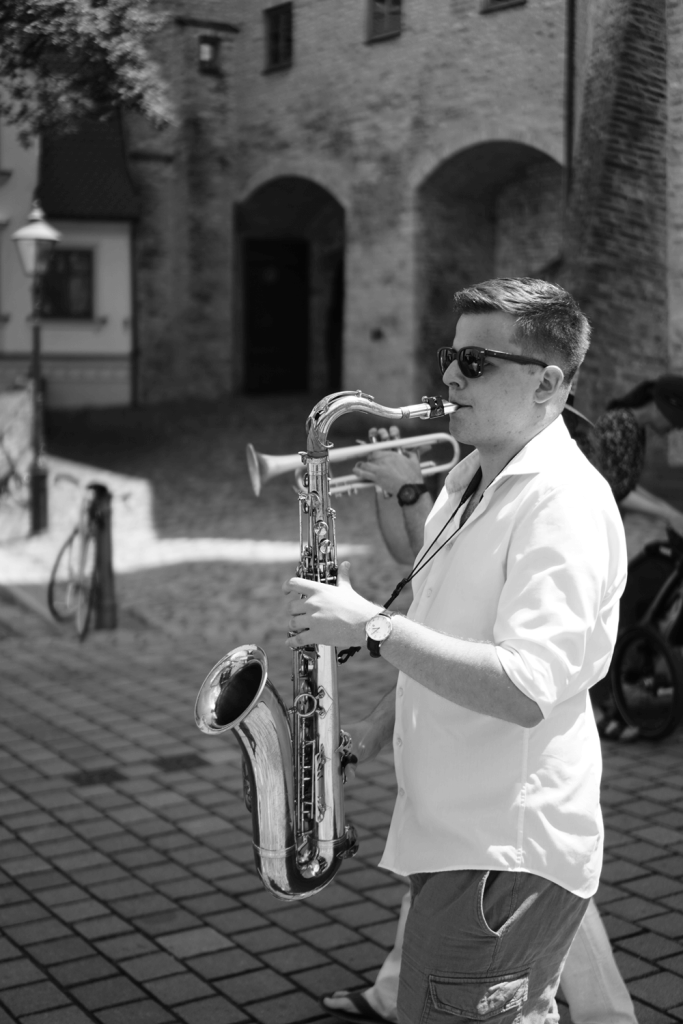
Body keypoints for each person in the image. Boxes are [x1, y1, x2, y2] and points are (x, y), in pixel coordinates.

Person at [284, 278, 627, 1024]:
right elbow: (450, 635)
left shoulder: (561, 503)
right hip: (458, 836)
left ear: (546, 383)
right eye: (450, 355)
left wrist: (372, 627)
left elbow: (524, 687)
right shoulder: (470, 479)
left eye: (475, 362)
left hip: (500, 851)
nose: (448, 377)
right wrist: (369, 733)